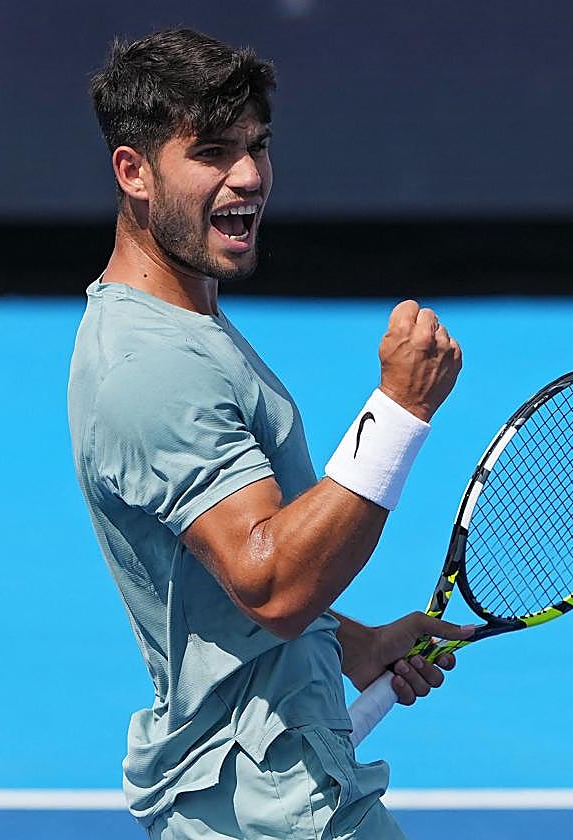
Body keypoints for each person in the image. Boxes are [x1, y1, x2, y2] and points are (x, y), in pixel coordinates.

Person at [68, 28, 468, 839]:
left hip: (270, 790)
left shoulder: (185, 326)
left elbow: (228, 584)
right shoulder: (155, 369)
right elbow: (273, 583)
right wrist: (397, 414)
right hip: (278, 813)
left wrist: (352, 646)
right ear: (133, 172)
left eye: (256, 147)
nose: (248, 176)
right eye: (211, 152)